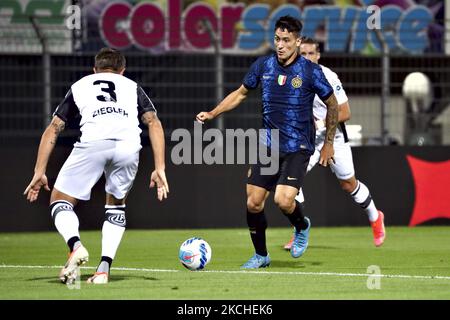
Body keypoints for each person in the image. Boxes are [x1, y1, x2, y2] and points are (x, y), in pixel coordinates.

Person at [196, 16, 339, 268]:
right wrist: (213, 113)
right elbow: (240, 94)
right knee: (253, 202)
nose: (280, 45)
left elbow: (332, 103)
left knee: (283, 200)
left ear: (297, 41)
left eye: (286, 40)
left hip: (298, 146)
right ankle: (261, 255)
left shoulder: (310, 71)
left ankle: (301, 225)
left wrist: (328, 142)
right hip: (268, 145)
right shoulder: (264, 65)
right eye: (277, 39)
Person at [24, 48, 169, 284]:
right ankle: (103, 270)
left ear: (95, 70)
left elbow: (54, 127)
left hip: (94, 144)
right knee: (115, 205)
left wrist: (39, 172)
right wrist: (160, 167)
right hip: (127, 146)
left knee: (59, 201)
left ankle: (75, 246)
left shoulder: (81, 85)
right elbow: (153, 121)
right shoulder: (131, 86)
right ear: (122, 71)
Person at [284, 37, 385, 250]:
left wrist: (320, 122)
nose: (307, 58)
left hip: (334, 136)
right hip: (307, 139)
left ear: (318, 56)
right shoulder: (291, 78)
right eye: (303, 54)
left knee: (348, 184)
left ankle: (375, 217)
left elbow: (346, 112)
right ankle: (299, 230)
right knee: (293, 181)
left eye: (311, 53)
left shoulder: (328, 76)